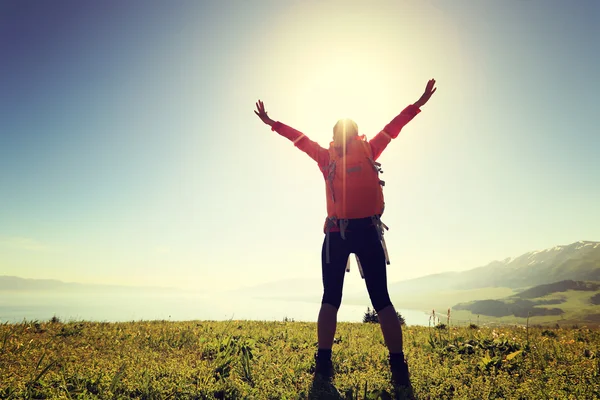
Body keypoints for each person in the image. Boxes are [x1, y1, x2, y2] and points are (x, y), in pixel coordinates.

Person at [254, 79, 437, 390]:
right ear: (357, 133)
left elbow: (298, 138)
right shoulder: (369, 148)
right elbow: (395, 126)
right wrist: (418, 103)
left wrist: (271, 122)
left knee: (330, 299)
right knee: (382, 300)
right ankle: (398, 366)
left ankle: (323, 364)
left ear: (334, 137)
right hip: (368, 230)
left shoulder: (326, 158)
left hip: (337, 234)